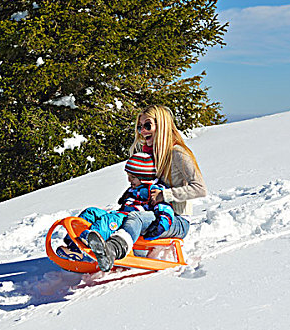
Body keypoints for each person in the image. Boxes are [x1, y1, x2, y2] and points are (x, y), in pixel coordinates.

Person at [87, 105, 207, 272]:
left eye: (147, 125)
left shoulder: (178, 153)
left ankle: (113, 251)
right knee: (111, 215)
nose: (142, 131)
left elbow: (200, 188)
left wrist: (165, 195)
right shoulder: (151, 153)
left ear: (162, 125)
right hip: (151, 212)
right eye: (140, 127)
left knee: (136, 218)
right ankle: (85, 242)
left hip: (177, 219)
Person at [56, 152, 176, 261]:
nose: (129, 180)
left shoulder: (154, 189)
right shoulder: (133, 189)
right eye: (128, 176)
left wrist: (162, 224)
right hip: (120, 215)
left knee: (108, 220)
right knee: (91, 212)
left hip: (130, 221)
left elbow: (165, 208)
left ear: (144, 177)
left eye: (133, 177)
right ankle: (74, 243)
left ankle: (92, 242)